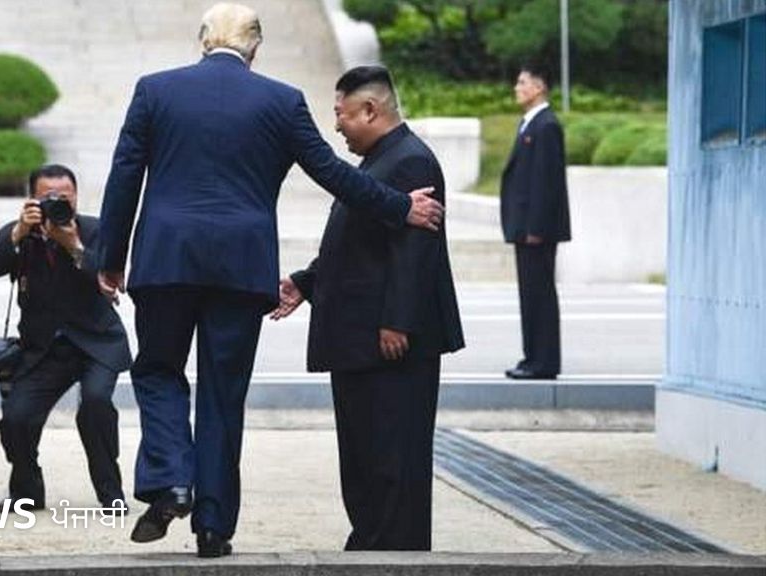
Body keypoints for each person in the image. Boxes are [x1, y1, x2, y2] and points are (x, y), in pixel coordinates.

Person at [97, 3, 445, 558]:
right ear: (255, 49)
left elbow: (124, 175)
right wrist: (399, 206)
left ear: (203, 41)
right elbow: (332, 172)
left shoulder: (155, 90)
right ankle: (213, 527)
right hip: (242, 268)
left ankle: (171, 479)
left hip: (167, 259)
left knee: (159, 370)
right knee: (224, 392)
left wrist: (110, 257)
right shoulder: (281, 101)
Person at [273, 66, 464, 551]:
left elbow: (414, 251)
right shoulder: (380, 160)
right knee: (365, 453)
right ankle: (371, 542)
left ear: (370, 110)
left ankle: (392, 549)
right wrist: (306, 282)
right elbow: (359, 243)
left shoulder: (411, 161)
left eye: (341, 114)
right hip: (361, 339)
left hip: (388, 341)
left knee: (392, 456)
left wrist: (397, 321)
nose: (337, 125)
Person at [0, 164, 131, 512]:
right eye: (48, 196)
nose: (58, 202)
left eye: (65, 196)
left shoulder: (95, 230)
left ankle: (111, 494)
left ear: (76, 197)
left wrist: (73, 245)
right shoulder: (21, 232)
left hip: (96, 343)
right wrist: (19, 231)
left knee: (95, 404)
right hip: (44, 348)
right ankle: (27, 492)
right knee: (16, 418)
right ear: (32, 199)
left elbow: (107, 276)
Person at [500, 64, 571, 380]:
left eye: (522, 82)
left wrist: (536, 228)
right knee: (530, 295)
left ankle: (543, 362)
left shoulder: (546, 126)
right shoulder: (530, 123)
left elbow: (547, 182)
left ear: (539, 87)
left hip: (535, 230)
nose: (517, 88)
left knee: (539, 294)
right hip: (525, 227)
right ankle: (532, 358)